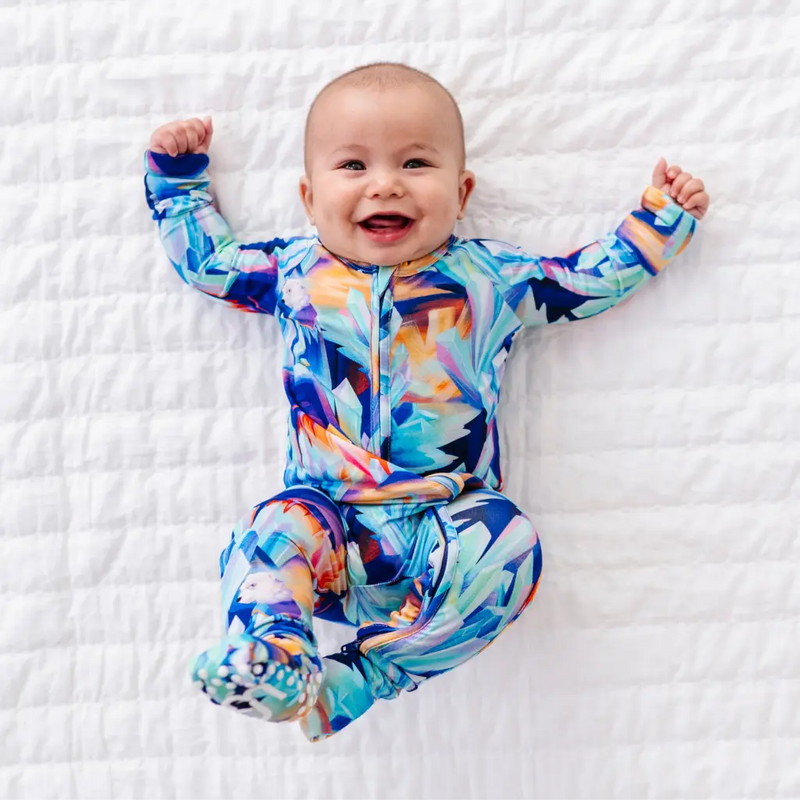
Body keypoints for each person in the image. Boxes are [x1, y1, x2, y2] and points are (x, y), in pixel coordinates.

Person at [143, 62, 710, 743]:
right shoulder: (291, 274)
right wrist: (179, 187)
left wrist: (659, 220)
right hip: (331, 527)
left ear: (461, 191)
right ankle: (277, 650)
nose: (385, 182)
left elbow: (581, 282)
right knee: (269, 531)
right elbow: (209, 263)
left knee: (512, 543)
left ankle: (358, 678)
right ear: (309, 197)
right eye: (352, 165)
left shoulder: (488, 280)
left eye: (415, 162)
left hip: (446, 528)